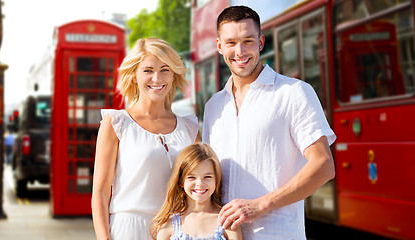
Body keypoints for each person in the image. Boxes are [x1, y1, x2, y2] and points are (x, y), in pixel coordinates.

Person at [202, 6, 336, 240]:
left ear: (261, 42)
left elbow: (323, 165)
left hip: (277, 234)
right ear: (219, 46)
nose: (240, 51)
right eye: (231, 42)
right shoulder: (214, 106)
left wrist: (260, 205)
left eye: (248, 41)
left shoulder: (294, 92)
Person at [92, 38, 199, 240]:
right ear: (134, 76)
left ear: (174, 74)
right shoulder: (116, 123)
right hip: (129, 229)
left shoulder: (190, 128)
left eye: (165, 69)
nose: (157, 78)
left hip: (177, 230)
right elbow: (100, 192)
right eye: (148, 70)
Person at [151, 143, 242, 240]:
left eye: (207, 177)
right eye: (191, 177)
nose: (200, 183)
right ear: (181, 181)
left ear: (216, 179)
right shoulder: (168, 225)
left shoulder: (228, 222)